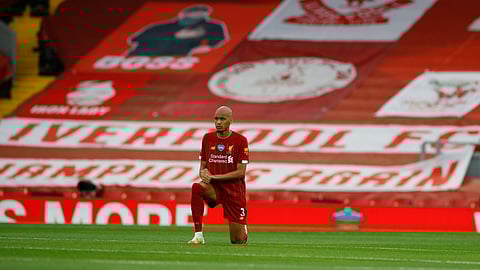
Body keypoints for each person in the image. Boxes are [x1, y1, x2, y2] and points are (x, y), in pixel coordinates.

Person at [188, 105, 249, 245]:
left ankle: (242, 228)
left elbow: (241, 172)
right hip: (214, 189)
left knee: (238, 241)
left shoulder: (240, 140)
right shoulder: (207, 138)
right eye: (216, 119)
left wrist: (215, 177)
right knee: (197, 187)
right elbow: (202, 166)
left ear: (230, 121)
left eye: (222, 119)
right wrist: (203, 174)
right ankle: (198, 235)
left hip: (234, 192)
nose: (218, 122)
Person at [126, 4, 227, 56]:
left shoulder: (212, 26)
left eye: (202, 13)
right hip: (142, 57)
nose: (198, 15)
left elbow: (217, 39)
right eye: (194, 12)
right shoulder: (161, 27)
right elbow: (135, 39)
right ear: (184, 14)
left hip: (176, 58)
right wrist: (174, 36)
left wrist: (208, 46)